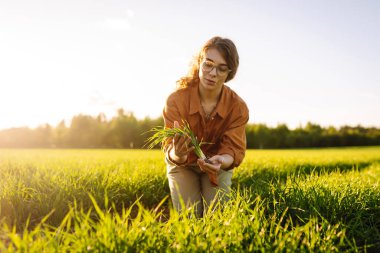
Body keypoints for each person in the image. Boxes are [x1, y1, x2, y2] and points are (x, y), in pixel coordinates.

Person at [163, 36, 249, 217]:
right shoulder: (176, 100)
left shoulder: (238, 107)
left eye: (221, 68)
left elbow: (233, 149)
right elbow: (169, 148)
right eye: (208, 64)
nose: (213, 73)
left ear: (229, 73)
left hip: (217, 165)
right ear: (199, 63)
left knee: (216, 217)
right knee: (190, 217)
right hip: (183, 165)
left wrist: (221, 161)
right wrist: (177, 153)